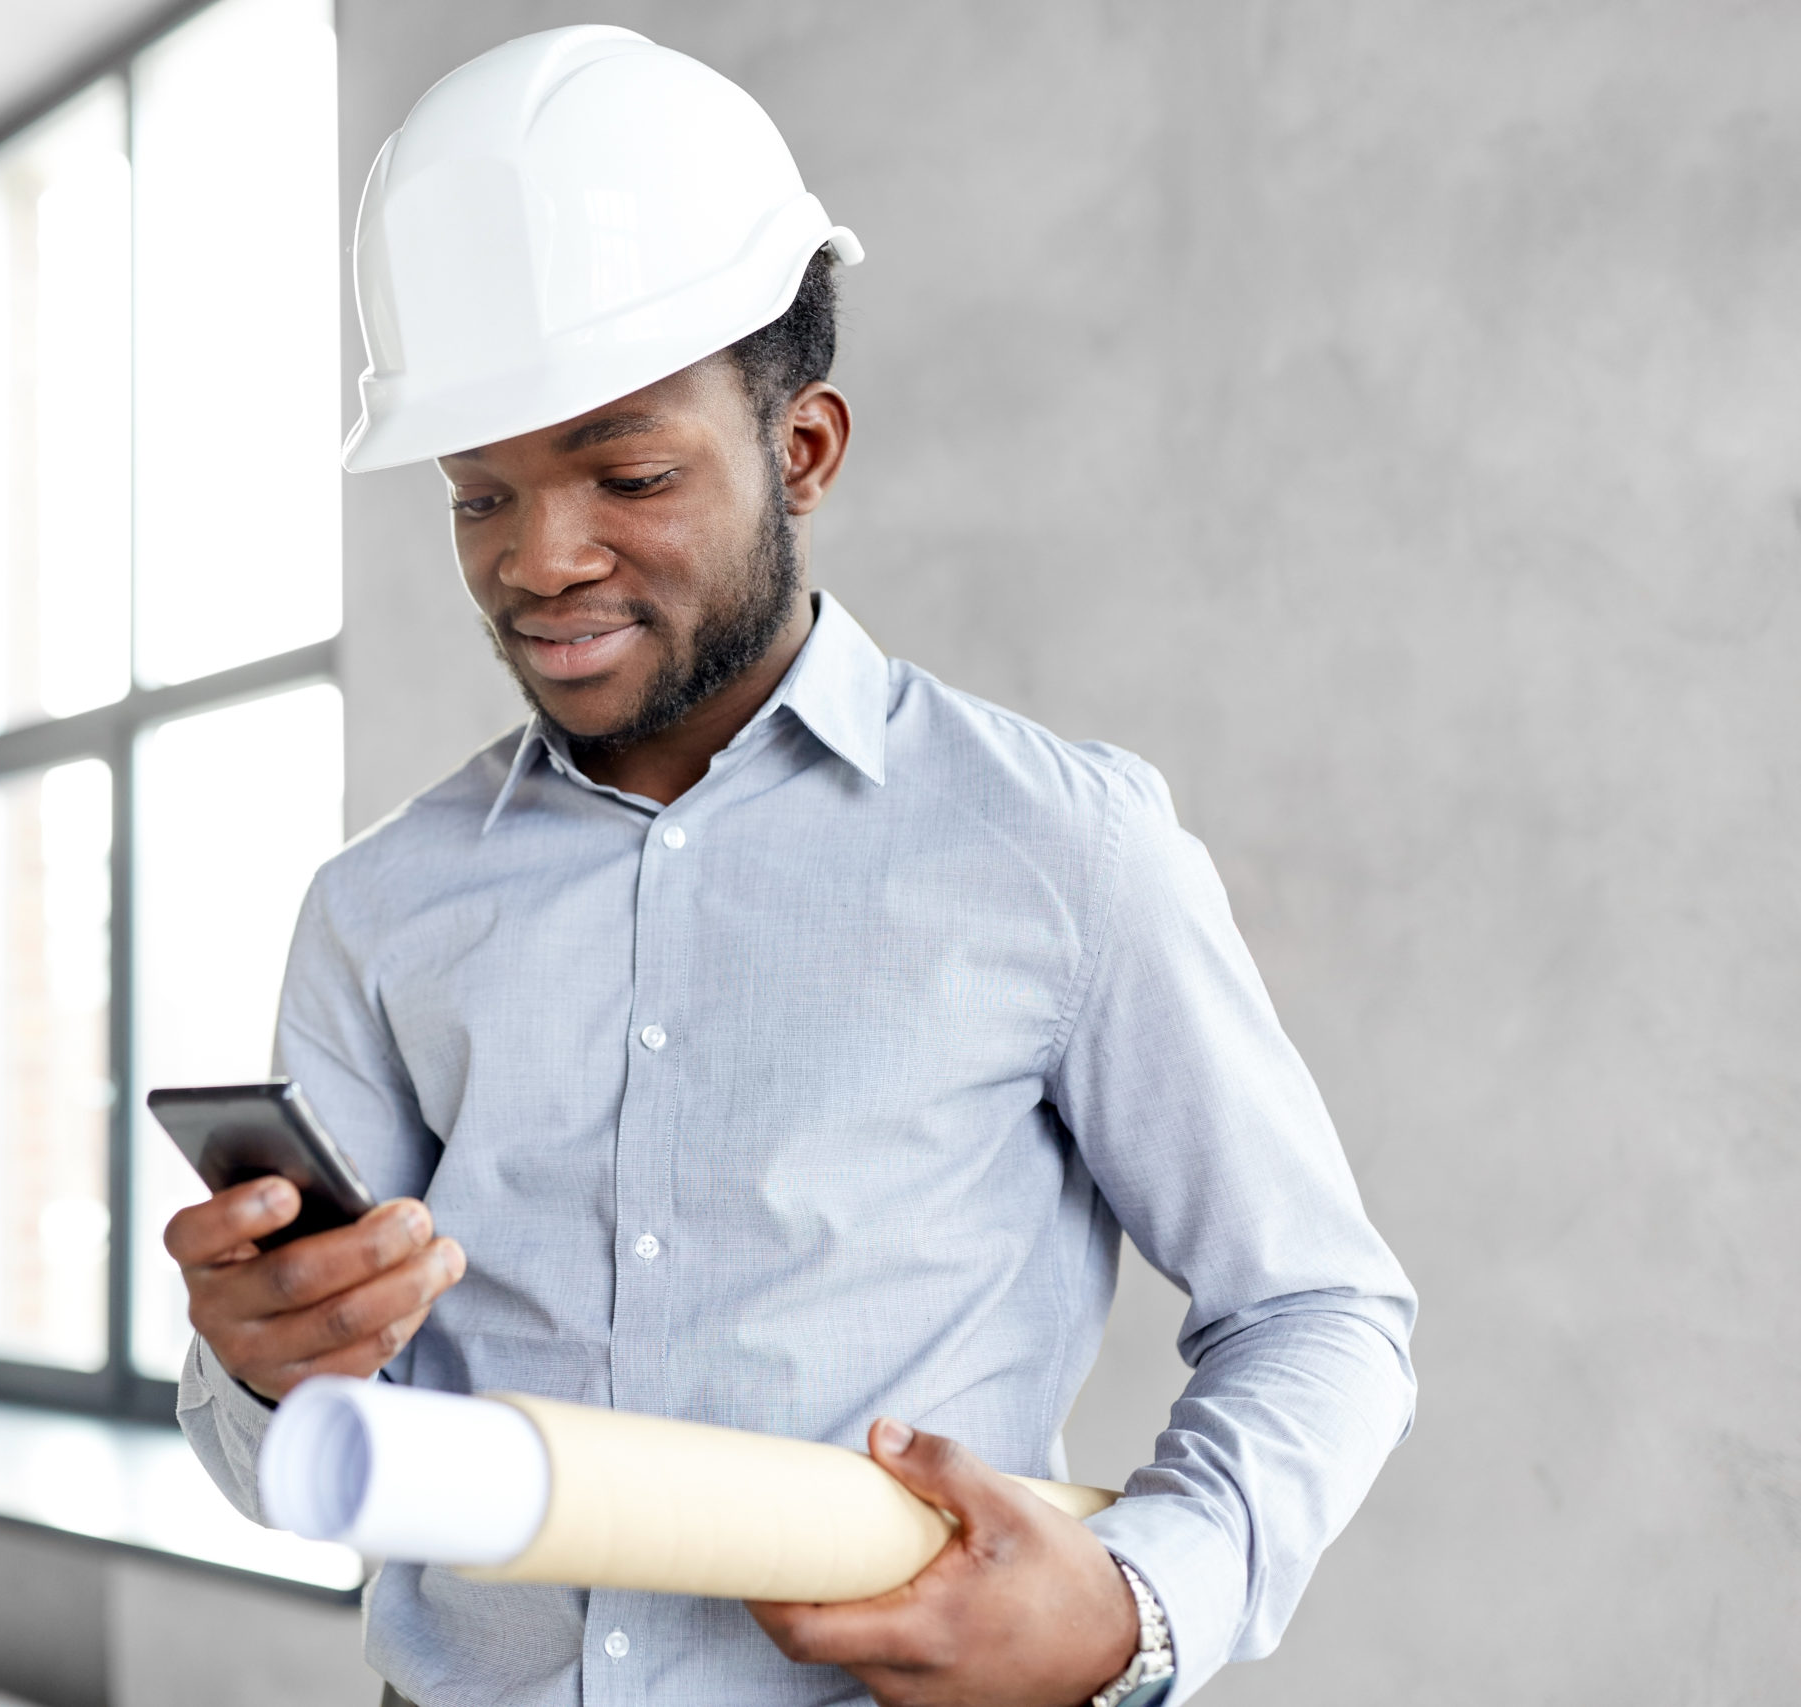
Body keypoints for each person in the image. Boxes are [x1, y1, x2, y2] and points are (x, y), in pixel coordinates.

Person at [168, 26, 1415, 1707]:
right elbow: (292, 1463)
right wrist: (260, 1373)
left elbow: (1320, 1309)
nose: (542, 560)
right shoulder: (382, 907)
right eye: (481, 497)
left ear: (805, 451)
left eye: (630, 473)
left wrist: (1135, 1609)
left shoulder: (1058, 847)